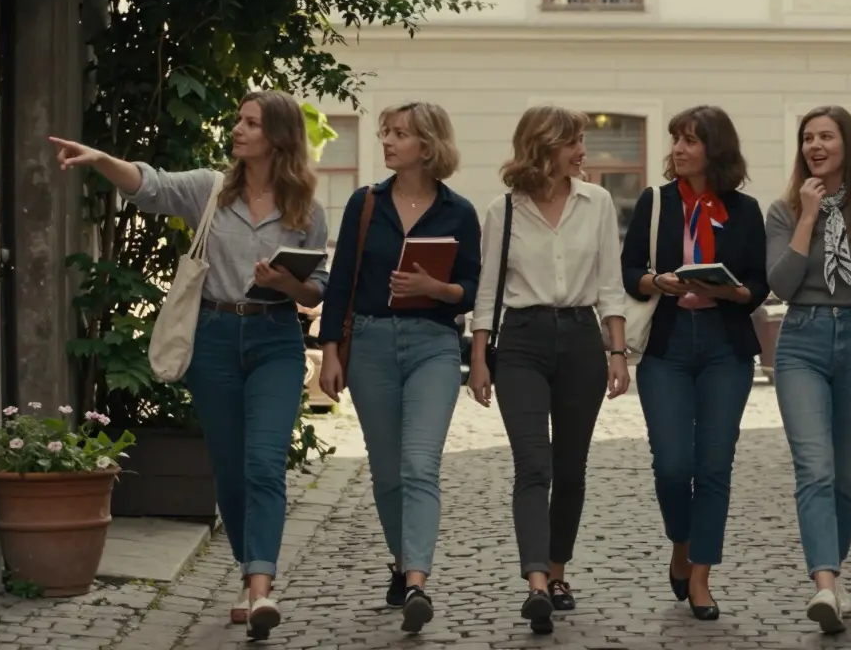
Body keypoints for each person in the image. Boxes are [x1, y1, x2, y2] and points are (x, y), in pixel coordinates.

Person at [49, 90, 329, 641]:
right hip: (214, 338)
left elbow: (316, 292)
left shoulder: (306, 210)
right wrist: (101, 159)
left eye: (251, 123)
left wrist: (285, 283)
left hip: (275, 339)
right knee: (229, 470)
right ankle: (250, 574)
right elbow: (149, 185)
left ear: (277, 137)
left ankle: (260, 589)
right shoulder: (209, 190)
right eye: (238, 120)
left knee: (265, 465)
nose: (238, 129)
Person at [316, 101, 480, 634]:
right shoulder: (366, 204)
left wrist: (437, 289)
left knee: (418, 463)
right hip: (369, 344)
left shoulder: (460, 212)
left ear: (427, 144)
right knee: (387, 472)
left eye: (399, 134)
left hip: (434, 344)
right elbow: (341, 281)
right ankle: (399, 559)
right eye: (386, 132)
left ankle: (416, 581)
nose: (386, 141)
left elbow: (474, 289)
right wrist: (331, 353)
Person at [467, 105, 630, 635]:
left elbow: (610, 283)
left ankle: (558, 572)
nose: (583, 150)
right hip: (520, 343)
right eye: (574, 141)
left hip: (582, 339)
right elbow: (487, 290)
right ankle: (537, 582)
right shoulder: (504, 211)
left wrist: (618, 352)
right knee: (533, 465)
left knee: (572, 469)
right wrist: (478, 359)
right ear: (545, 146)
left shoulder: (598, 202)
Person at [620, 105, 769, 621]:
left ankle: (701, 575)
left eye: (690, 140)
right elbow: (629, 271)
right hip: (668, 343)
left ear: (715, 149)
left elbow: (758, 283)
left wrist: (731, 290)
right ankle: (681, 544)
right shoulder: (656, 202)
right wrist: (660, 281)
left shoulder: (744, 210)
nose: (679, 149)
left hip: (725, 346)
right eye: (676, 140)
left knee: (713, 466)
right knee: (672, 464)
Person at [765, 105, 851, 634]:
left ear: (847, 143)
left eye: (826, 136)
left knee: (847, 479)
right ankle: (823, 584)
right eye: (807, 138)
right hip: (802, 338)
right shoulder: (782, 211)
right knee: (815, 469)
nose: (815, 146)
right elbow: (780, 284)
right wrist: (807, 217)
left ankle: (834, 574)